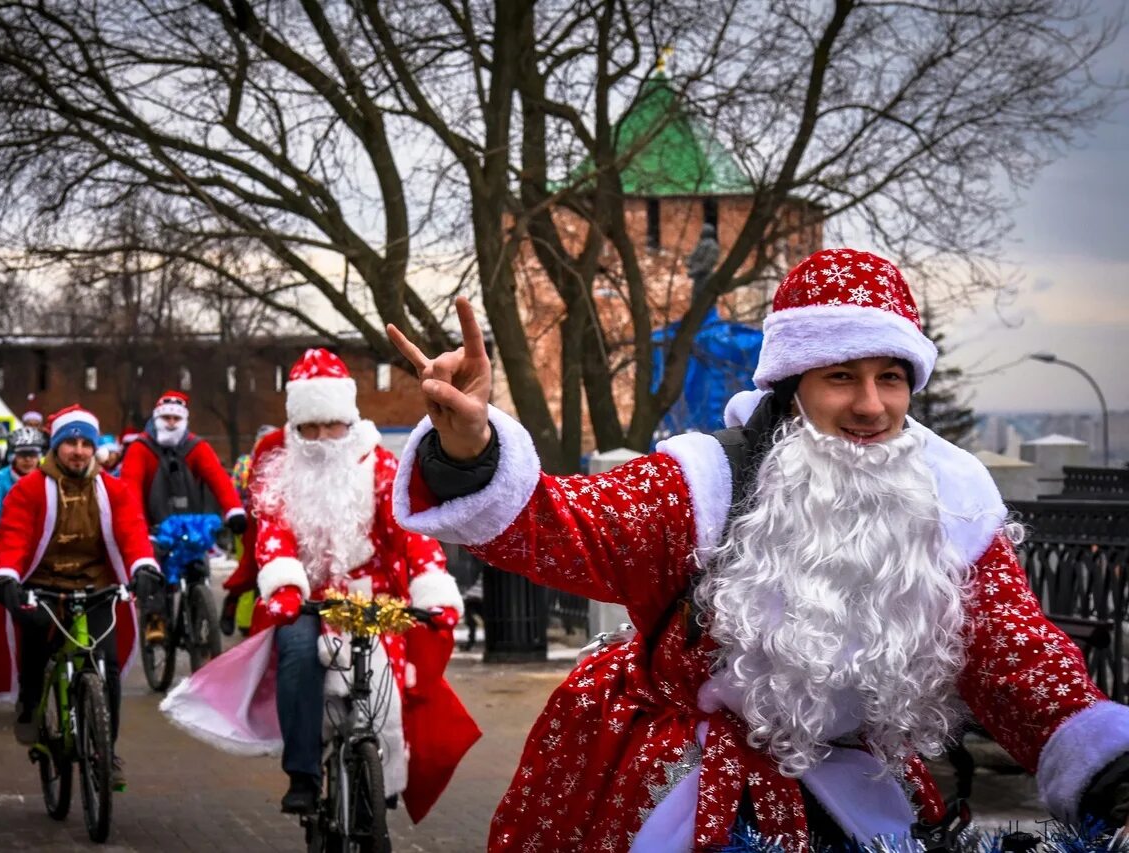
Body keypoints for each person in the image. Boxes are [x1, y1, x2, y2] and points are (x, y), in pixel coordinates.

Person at [385, 250, 1129, 851]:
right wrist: (470, 449)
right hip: (695, 784)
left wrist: (1106, 766)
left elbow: (1017, 654)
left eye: (891, 377)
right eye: (842, 376)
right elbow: (568, 523)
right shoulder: (709, 479)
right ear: (793, 384)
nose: (871, 405)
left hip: (863, 793)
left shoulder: (952, 501)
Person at [161, 348, 480, 823]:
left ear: (348, 420)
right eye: (310, 427)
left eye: (331, 425)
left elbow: (410, 534)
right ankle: (304, 775)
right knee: (296, 654)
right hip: (305, 599)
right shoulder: (281, 470)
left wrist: (431, 589)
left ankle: (382, 776)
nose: (322, 438)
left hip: (371, 595)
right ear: (297, 427)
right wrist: (286, 587)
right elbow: (272, 535)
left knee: (386, 673)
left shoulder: (381, 467)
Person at [0, 405, 163, 791]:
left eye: (85, 444)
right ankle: (29, 702)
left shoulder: (114, 490)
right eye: (70, 443)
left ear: (94, 448)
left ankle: (105, 751)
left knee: (105, 668)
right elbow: (13, 536)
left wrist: (143, 565)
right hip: (42, 585)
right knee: (35, 644)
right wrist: (6, 575)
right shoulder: (28, 489)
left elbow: (132, 531)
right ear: (56, 447)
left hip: (95, 587)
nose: (78, 451)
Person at [119, 390, 246, 642]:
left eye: (176, 419)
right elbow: (130, 488)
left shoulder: (196, 447)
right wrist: (137, 528)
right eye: (165, 417)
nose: (171, 423)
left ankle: (199, 611)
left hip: (192, 523)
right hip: (153, 526)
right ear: (156, 418)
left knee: (198, 568)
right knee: (153, 572)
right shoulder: (140, 449)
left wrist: (234, 510)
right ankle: (154, 619)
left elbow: (218, 478)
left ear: (184, 421)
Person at [220, 423, 277, 636]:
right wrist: (236, 514)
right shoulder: (246, 463)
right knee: (249, 567)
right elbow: (235, 490)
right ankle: (245, 622)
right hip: (247, 522)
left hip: (272, 521)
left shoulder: (285, 462)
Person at [0, 426, 47, 585]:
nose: (27, 460)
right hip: (6, 543)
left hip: (42, 546)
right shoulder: (0, 478)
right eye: (22, 455)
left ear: (39, 456)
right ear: (13, 456)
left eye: (32, 454)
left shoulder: (48, 478)